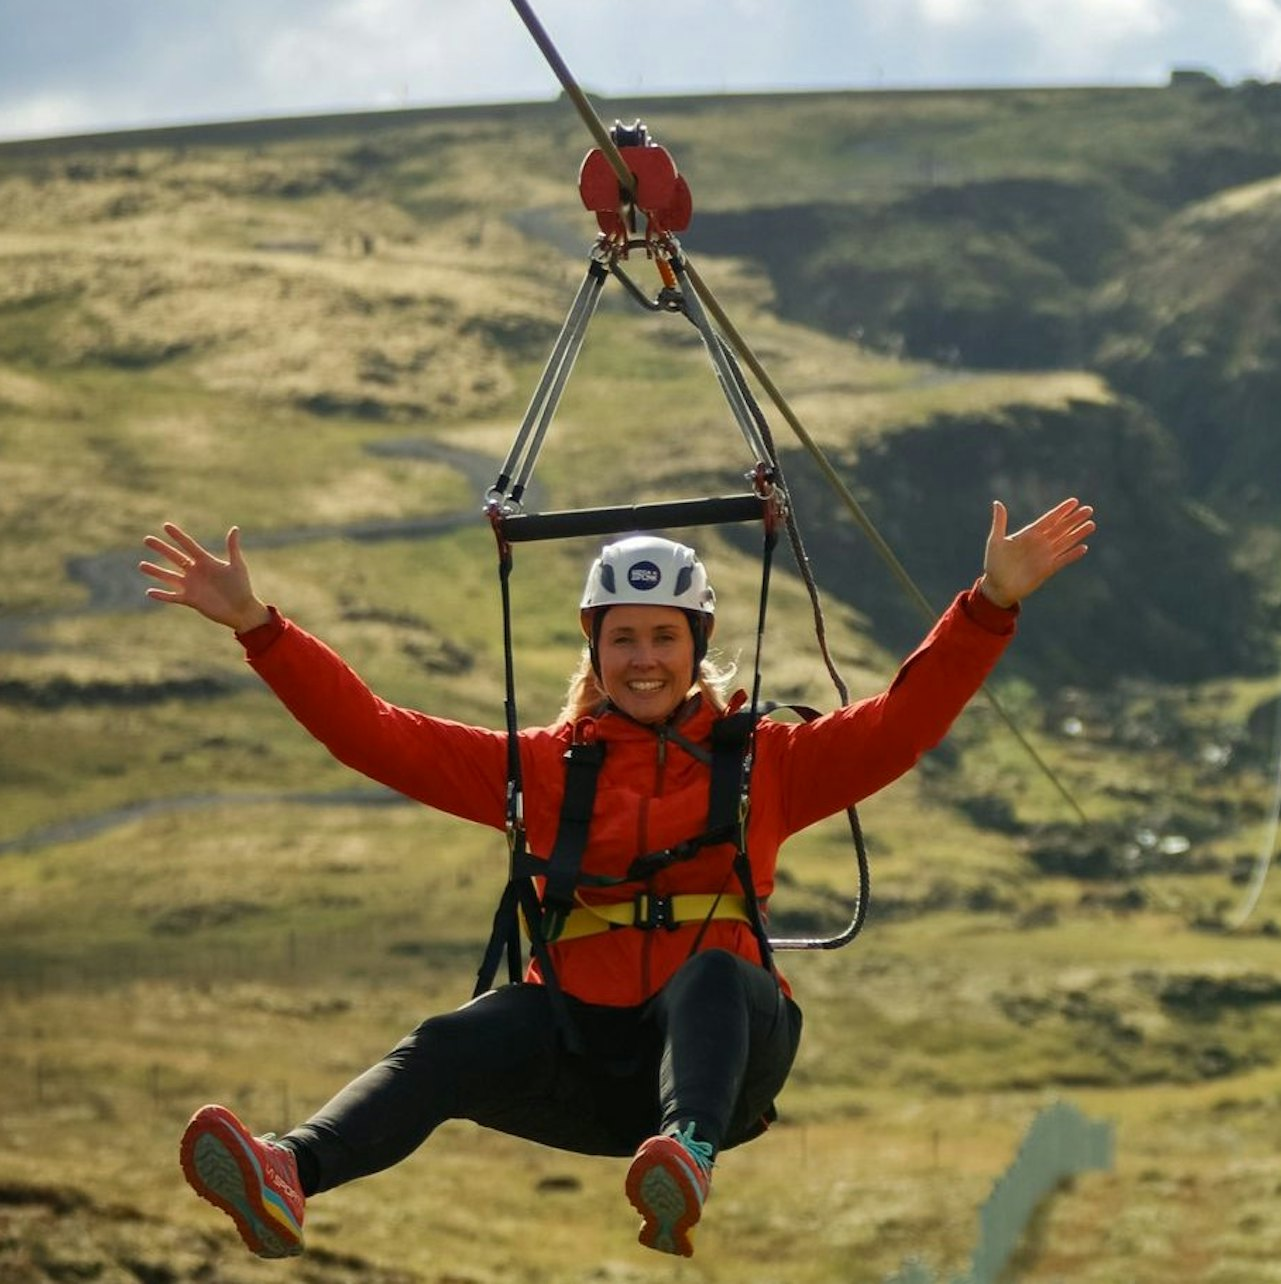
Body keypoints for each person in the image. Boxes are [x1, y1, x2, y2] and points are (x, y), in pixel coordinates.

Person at [139, 496, 1094, 1260]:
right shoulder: (545, 770)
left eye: (664, 637)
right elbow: (380, 736)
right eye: (624, 638)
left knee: (714, 976)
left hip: (724, 1067)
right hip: (589, 1070)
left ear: (696, 646)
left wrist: (988, 605)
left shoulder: (768, 761)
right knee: (462, 1032)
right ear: (595, 651)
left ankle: (687, 1155)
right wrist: (262, 630)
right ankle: (287, 1172)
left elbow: (903, 721)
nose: (644, 659)